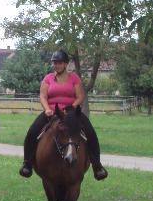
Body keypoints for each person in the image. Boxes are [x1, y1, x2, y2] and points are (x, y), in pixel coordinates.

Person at [19, 49, 108, 180]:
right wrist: (47, 109)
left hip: (72, 113)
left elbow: (80, 97)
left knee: (90, 133)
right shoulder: (48, 78)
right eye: (55, 63)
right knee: (32, 132)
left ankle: (97, 166)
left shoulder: (74, 78)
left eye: (60, 63)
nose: (57, 65)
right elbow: (43, 96)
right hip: (52, 112)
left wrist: (72, 107)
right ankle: (27, 164)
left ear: (66, 64)